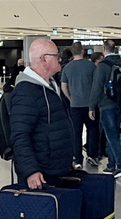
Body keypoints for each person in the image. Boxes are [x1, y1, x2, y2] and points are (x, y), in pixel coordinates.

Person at [10, 38, 75, 188]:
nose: (60, 59)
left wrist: (65, 159)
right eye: (56, 55)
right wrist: (31, 170)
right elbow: (20, 135)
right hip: (42, 173)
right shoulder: (26, 92)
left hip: (56, 168)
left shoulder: (50, 85)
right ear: (44, 59)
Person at [89, 39, 121, 179]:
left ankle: (120, 165)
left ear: (104, 49)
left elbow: (96, 87)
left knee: (111, 136)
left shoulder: (102, 66)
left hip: (106, 105)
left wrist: (91, 106)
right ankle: (111, 164)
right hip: (120, 105)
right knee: (113, 135)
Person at [60, 43, 98, 167]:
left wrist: (70, 98)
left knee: (76, 132)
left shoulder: (67, 68)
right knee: (92, 130)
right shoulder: (91, 65)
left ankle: (77, 158)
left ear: (72, 52)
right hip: (90, 105)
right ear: (82, 51)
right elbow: (96, 85)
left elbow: (63, 86)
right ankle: (92, 155)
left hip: (75, 105)